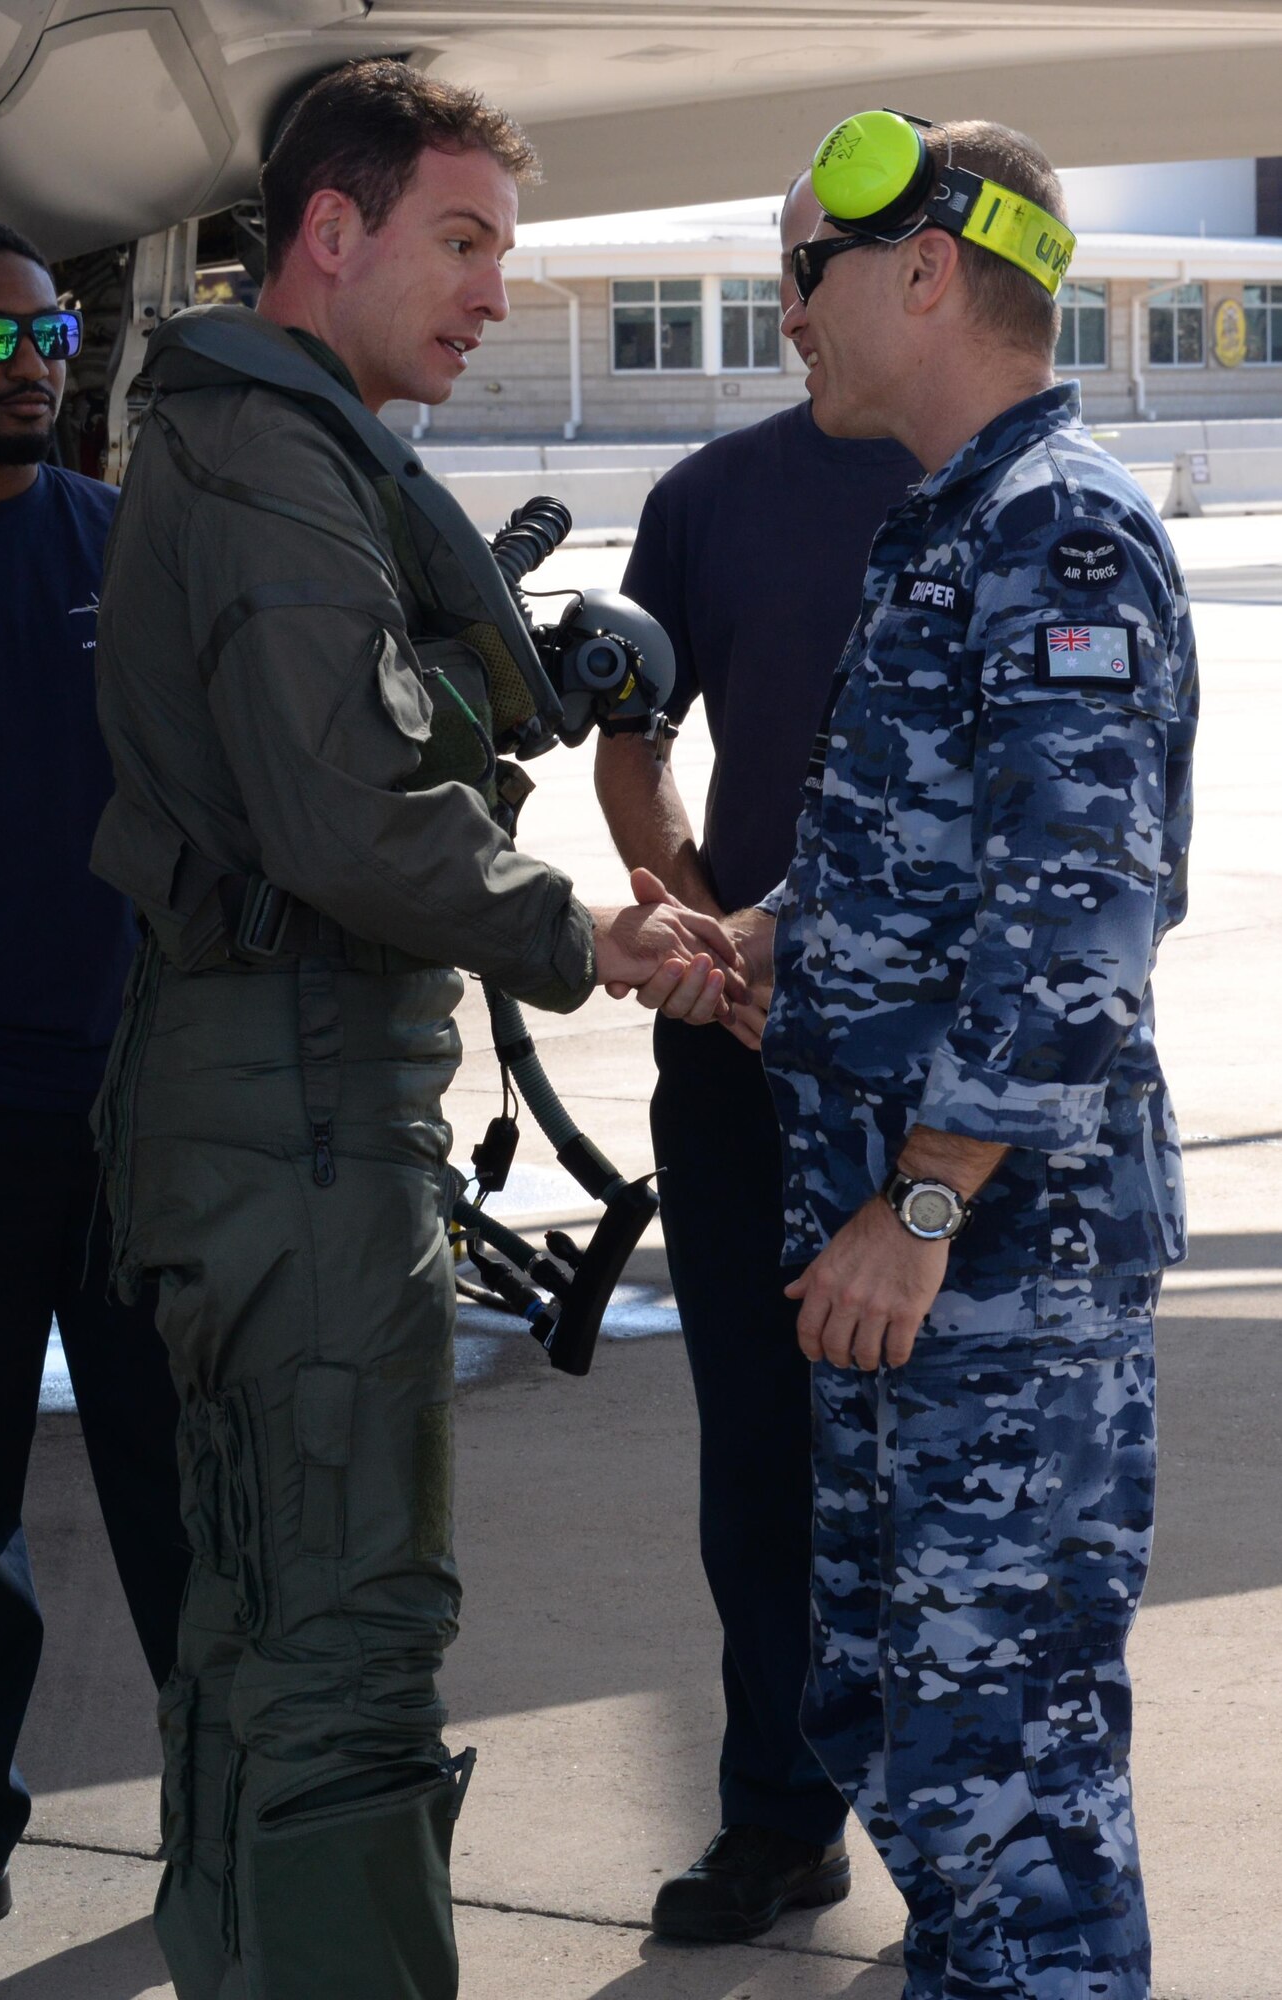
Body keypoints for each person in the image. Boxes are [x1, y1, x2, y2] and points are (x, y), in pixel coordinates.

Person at [89, 59, 743, 2000]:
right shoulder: (279, 469)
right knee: (347, 1638)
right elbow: (342, 817)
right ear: (330, 233)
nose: (489, 290)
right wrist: (590, 936)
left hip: (250, 1110)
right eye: (459, 242)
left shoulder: (253, 445)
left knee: (254, 1619)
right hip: (292, 1129)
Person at [655, 110, 1195, 2000]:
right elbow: (927, 854)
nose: (786, 310)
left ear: (923, 270)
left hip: (992, 1281)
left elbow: (1078, 930)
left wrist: (924, 1198)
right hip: (909, 1277)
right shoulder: (954, 527)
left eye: (805, 269)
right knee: (909, 1731)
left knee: (1012, 1782)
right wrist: (760, 942)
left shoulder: (1061, 536)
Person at [595, 174, 919, 1942]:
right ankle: (779, 1811)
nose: (795, 298)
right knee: (764, 1460)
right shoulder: (707, 497)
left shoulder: (1001, 505)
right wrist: (708, 944)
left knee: (957, 1470)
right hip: (738, 1055)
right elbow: (634, 754)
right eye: (785, 266)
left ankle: (978, 1852)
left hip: (935, 1080)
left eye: (818, 265)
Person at [0, 225, 189, 1928]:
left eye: (47, 327)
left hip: (126, 1121)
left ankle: (224, 1831)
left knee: (178, 1501)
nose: (29, 359)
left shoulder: (116, 548)